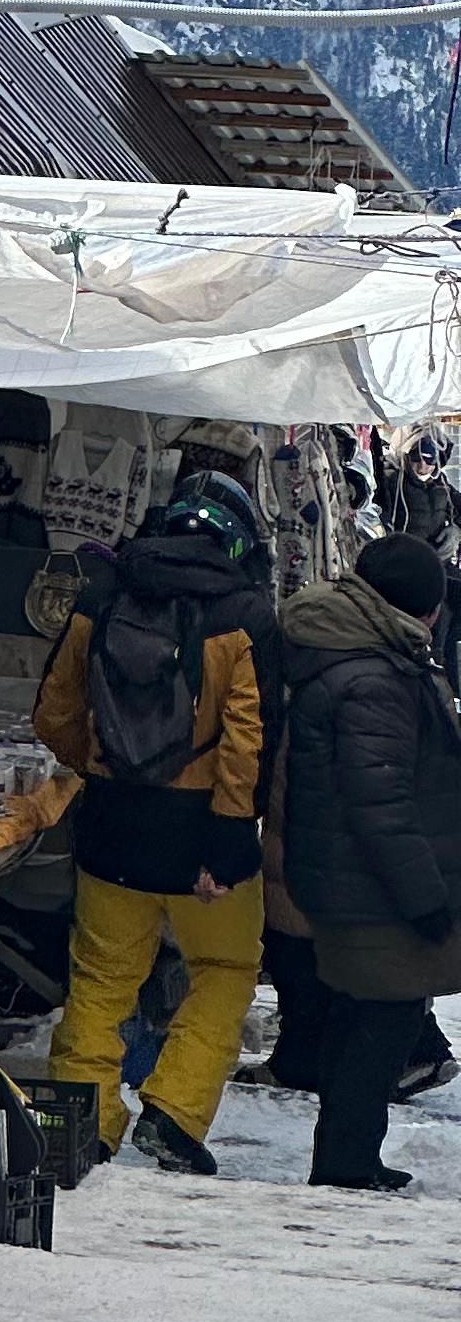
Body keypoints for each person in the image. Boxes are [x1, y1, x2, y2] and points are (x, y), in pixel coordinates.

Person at [36, 466, 273, 1173]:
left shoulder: (105, 593)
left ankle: (84, 1123)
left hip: (113, 823)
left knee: (102, 980)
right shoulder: (245, 613)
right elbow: (248, 739)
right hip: (205, 831)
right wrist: (230, 839)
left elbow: (54, 712)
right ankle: (173, 1112)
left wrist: (103, 764)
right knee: (225, 968)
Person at [277, 530, 461, 1193]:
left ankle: (350, 1156)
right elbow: (380, 803)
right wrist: (425, 898)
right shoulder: (375, 676)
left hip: (351, 878)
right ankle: (347, 1164)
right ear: (423, 606)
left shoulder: (366, 656)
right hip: (374, 887)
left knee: (366, 1015)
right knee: (381, 1020)